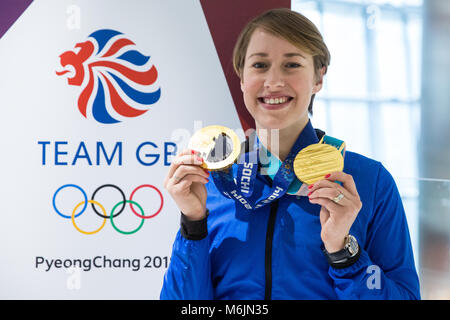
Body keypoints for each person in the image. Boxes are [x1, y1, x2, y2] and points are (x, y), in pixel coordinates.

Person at [160, 8, 420, 300]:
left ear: (319, 78)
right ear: (242, 78)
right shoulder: (215, 180)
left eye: (292, 65)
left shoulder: (368, 181)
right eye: (259, 65)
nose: (273, 81)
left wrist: (344, 253)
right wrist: (193, 224)